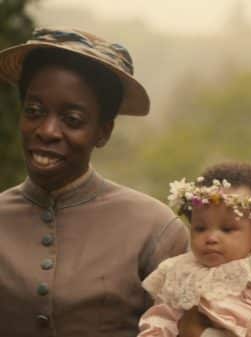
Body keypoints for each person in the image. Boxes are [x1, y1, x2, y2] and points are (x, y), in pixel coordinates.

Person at [0, 27, 188, 337]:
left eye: (72, 120)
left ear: (103, 131)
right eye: (34, 111)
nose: (47, 130)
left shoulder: (155, 230)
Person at [138, 162, 251, 337]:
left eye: (227, 229)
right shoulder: (181, 271)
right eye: (200, 228)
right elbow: (164, 314)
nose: (211, 238)